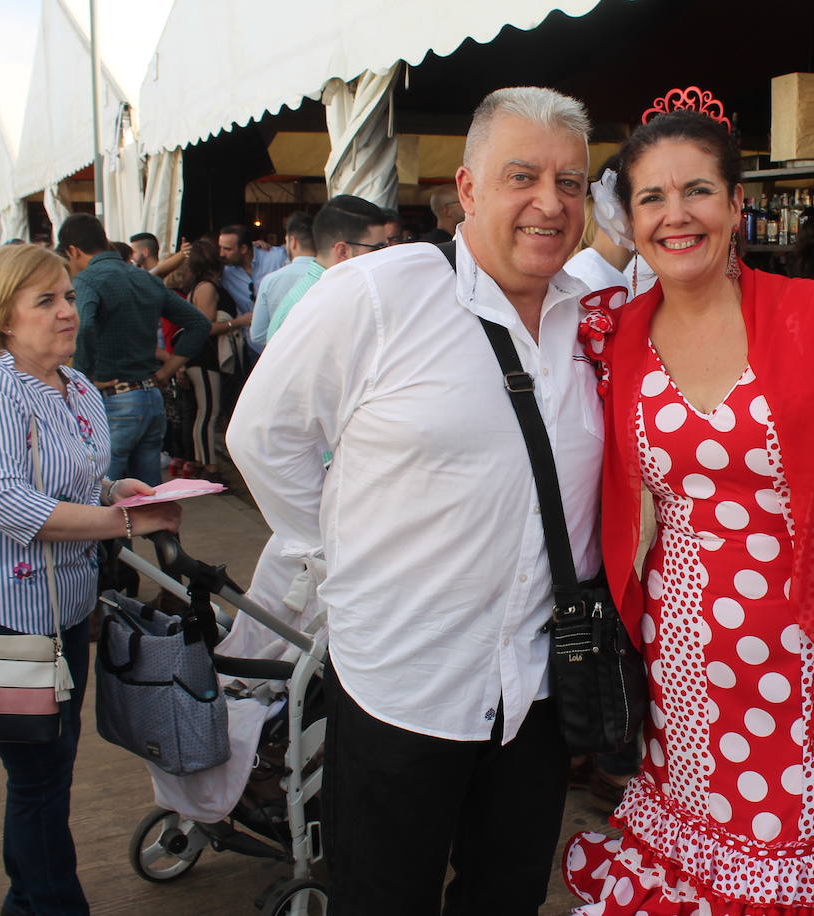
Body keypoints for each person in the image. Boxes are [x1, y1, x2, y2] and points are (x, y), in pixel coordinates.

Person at [228, 86, 609, 915]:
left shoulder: (595, 319)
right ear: (467, 189)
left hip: (538, 687)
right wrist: (339, 557)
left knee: (506, 896)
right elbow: (262, 436)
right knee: (383, 898)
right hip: (402, 679)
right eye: (522, 177)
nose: (550, 203)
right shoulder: (377, 293)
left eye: (571, 182)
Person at [564, 109, 814, 915]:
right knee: (695, 831)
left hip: (813, 644)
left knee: (793, 842)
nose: (676, 215)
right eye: (652, 198)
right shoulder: (614, 335)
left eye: (698, 190)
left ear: (737, 204)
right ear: (628, 219)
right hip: (682, 643)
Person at [0, 243, 182, 915]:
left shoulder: (78, 385)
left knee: (50, 770)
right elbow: (7, 503)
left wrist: (119, 490)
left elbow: (82, 481)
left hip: (64, 608)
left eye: (67, 296)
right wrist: (123, 522)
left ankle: (29, 903)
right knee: (38, 775)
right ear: (2, 316)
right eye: (46, 300)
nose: (68, 311)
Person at [60, 213, 210, 486]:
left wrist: (81, 379)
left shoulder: (88, 280)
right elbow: (199, 324)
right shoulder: (145, 279)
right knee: (148, 493)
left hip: (115, 399)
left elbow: (84, 326)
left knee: (103, 489)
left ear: (73, 250)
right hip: (151, 396)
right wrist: (166, 371)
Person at [262, 195, 386, 344]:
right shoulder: (310, 308)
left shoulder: (326, 293)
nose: (385, 255)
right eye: (378, 248)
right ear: (342, 251)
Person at [179, 239, 237, 483]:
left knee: (205, 412)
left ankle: (203, 462)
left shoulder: (199, 287)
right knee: (208, 412)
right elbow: (205, 327)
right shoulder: (207, 288)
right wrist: (238, 321)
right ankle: (210, 468)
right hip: (204, 358)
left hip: (199, 358)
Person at [249, 211, 316, 351]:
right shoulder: (331, 276)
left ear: (292, 241)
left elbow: (257, 335)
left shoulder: (270, 281)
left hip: (280, 355)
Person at [217, 223, 288, 320]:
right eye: (220, 247)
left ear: (243, 249)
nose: (221, 254)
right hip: (248, 328)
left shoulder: (276, 258)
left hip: (281, 324)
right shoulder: (224, 271)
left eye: (227, 249)